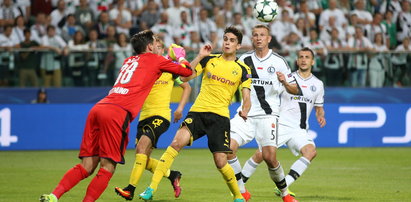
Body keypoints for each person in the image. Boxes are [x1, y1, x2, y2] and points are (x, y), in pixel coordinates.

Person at [39, 30, 193, 202]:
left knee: (87, 165)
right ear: (150, 46)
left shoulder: (128, 61)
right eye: (154, 43)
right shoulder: (156, 60)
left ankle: (53, 196)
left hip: (99, 107)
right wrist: (179, 57)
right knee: (107, 167)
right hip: (117, 113)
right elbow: (187, 72)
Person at [139, 26, 252, 202]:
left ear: (238, 46)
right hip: (198, 112)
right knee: (175, 143)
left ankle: (238, 196)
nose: (227, 43)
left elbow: (247, 96)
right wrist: (199, 56)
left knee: (221, 162)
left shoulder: (242, 69)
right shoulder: (209, 60)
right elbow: (184, 77)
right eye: (225, 39)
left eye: (232, 40)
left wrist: (245, 109)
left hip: (219, 118)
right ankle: (150, 188)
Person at [239, 47, 326, 198]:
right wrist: (284, 82)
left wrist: (320, 115)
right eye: (301, 57)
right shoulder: (284, 76)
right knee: (261, 155)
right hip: (282, 124)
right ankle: (239, 185)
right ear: (297, 61)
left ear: (312, 61)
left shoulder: (318, 84)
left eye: (307, 57)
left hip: (300, 129)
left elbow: (319, 106)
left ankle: (283, 185)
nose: (304, 59)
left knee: (310, 152)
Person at [226, 24, 299, 202]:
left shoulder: (279, 61)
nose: (258, 38)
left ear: (269, 39)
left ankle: (285, 194)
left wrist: (284, 82)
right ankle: (242, 192)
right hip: (245, 115)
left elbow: (295, 89)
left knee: (269, 158)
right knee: (227, 149)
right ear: (252, 39)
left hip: (268, 116)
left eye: (262, 35)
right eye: (255, 35)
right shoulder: (244, 59)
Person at [114, 40, 191, 200]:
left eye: (156, 46)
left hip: (160, 116)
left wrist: (179, 108)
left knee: (141, 148)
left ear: (162, 49)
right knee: (142, 157)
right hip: (144, 117)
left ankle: (130, 189)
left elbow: (187, 86)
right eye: (151, 46)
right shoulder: (145, 68)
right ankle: (172, 174)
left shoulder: (169, 68)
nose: (152, 48)